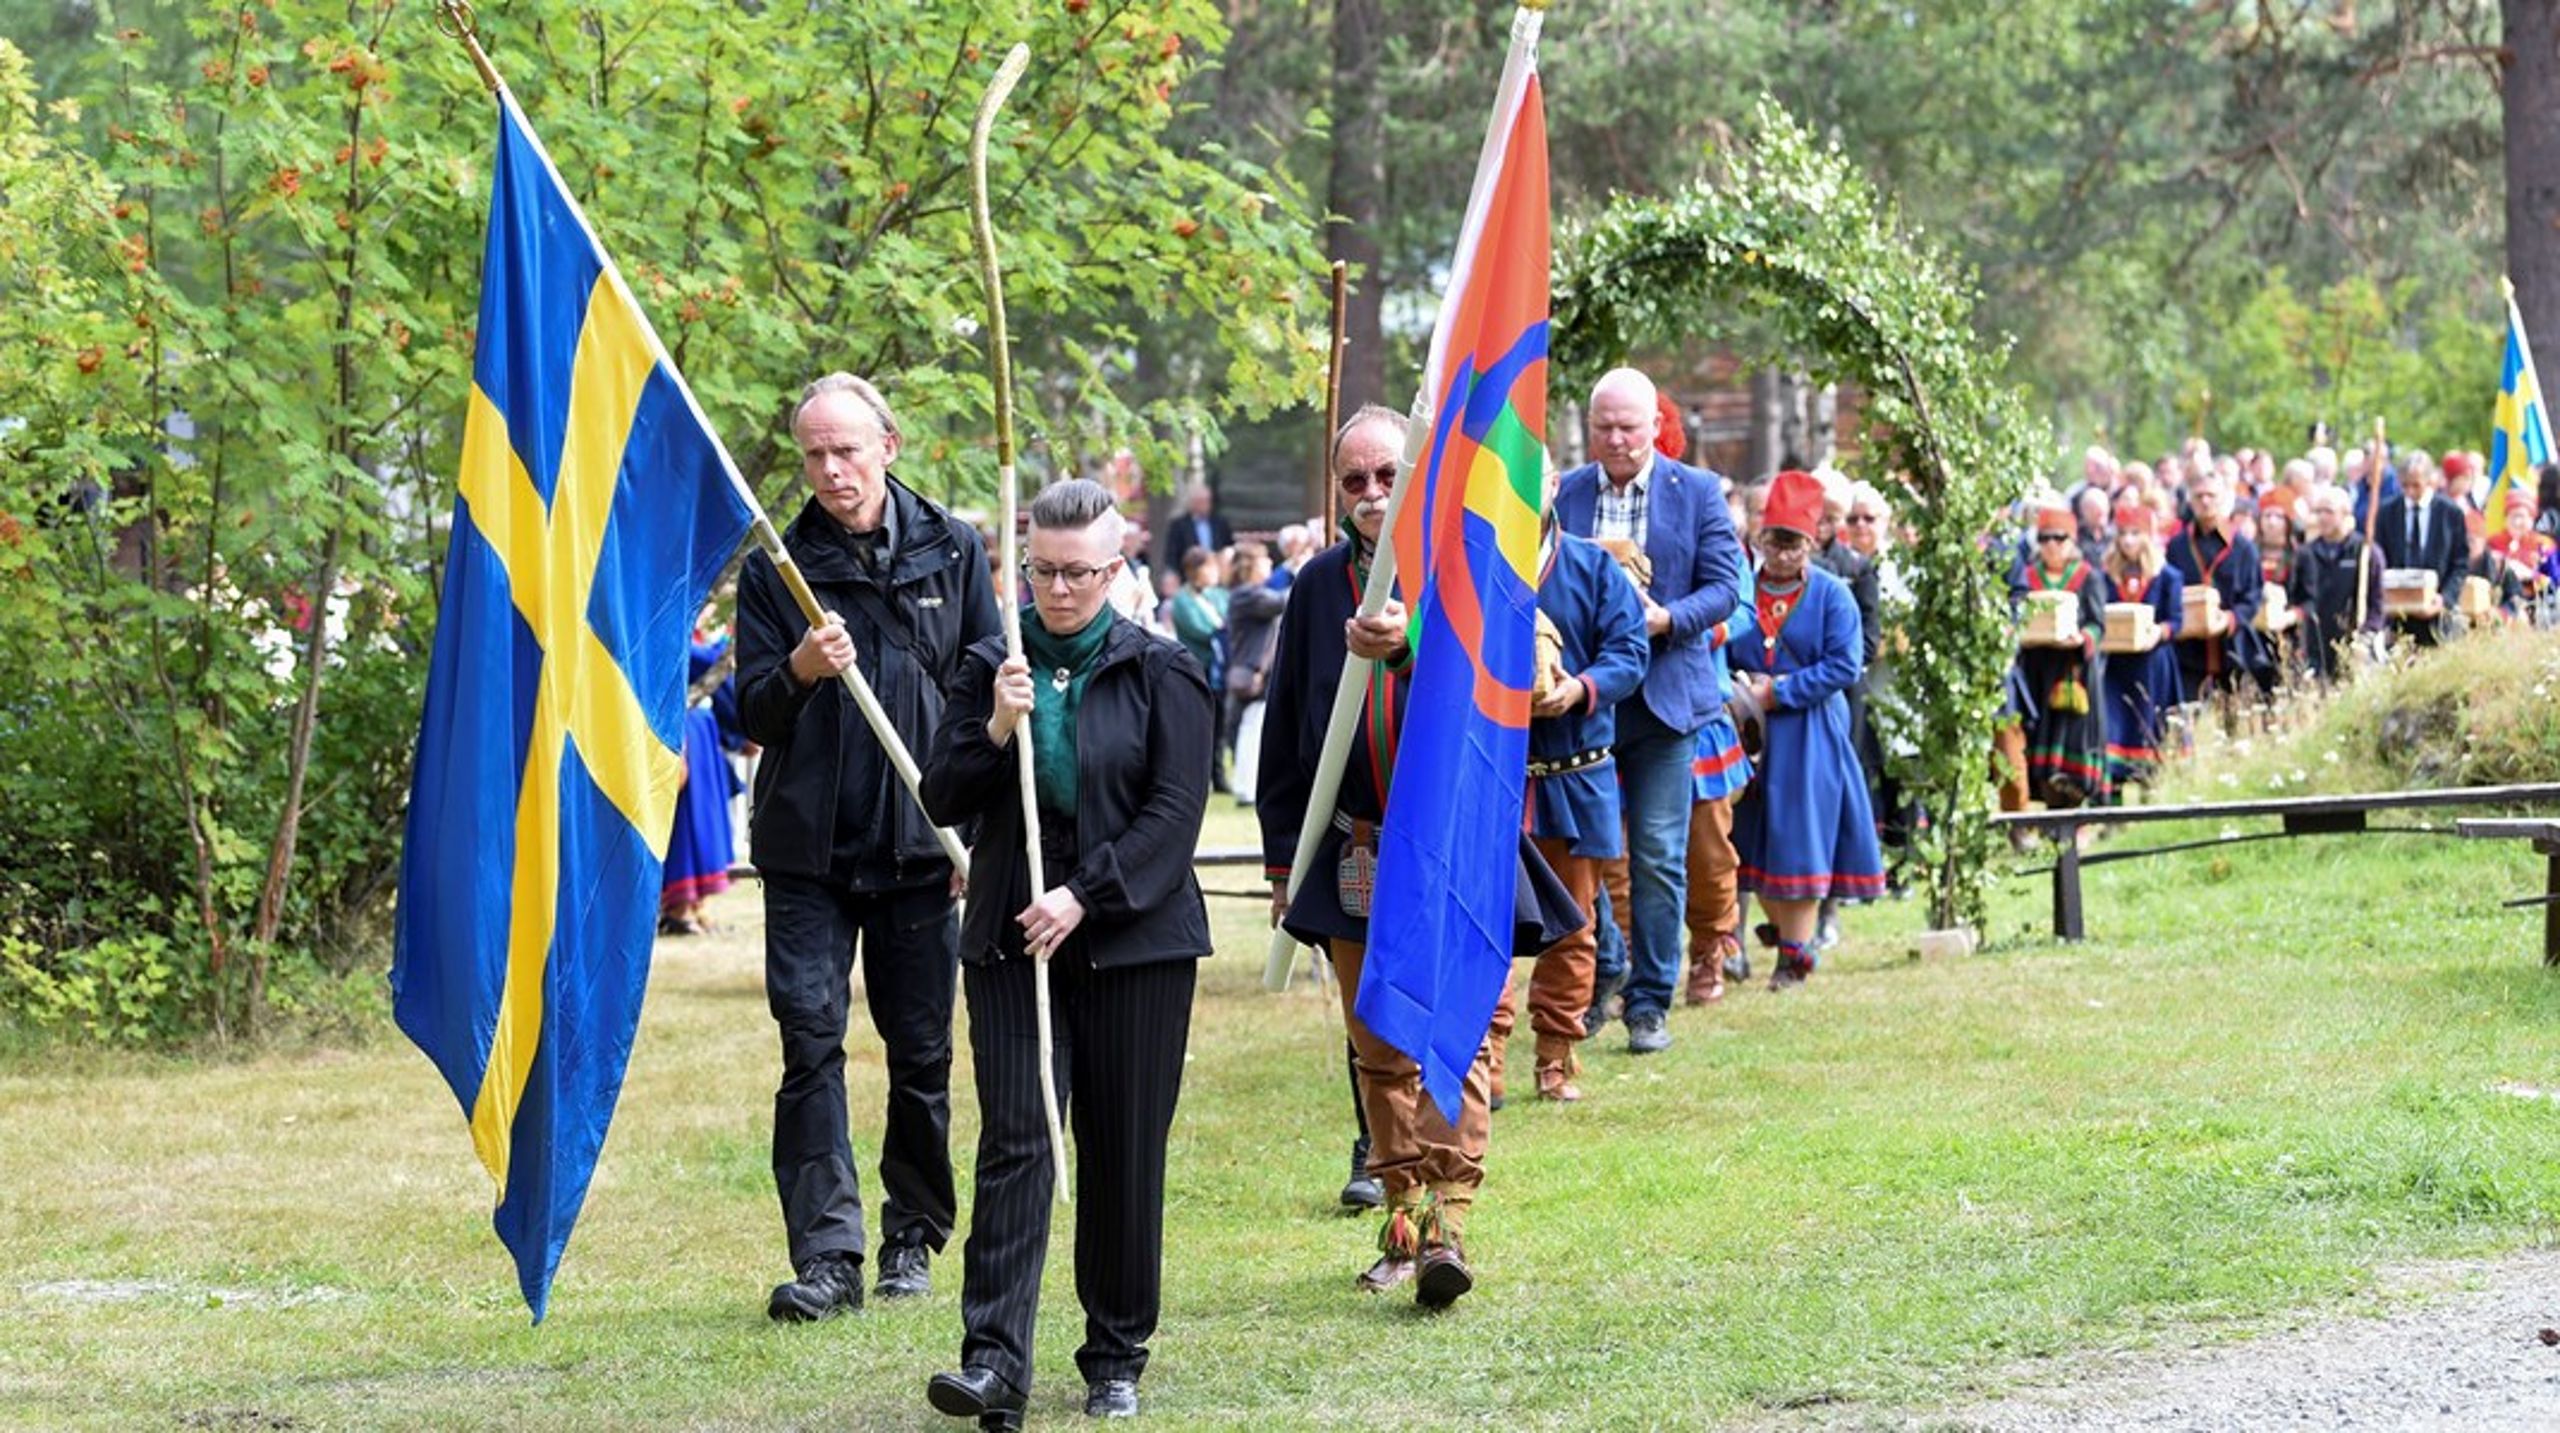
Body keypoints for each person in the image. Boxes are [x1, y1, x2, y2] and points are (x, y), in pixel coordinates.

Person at [1257, 405, 1580, 1307]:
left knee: (1465, 1035)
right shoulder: (1319, 588)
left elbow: (1495, 691)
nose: (1370, 495)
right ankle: (1401, 1219)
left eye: (1387, 475)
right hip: (1354, 844)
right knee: (1380, 1045)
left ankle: (1450, 1223)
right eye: (1353, 480)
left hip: (1456, 846)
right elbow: (1288, 726)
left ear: (1420, 475)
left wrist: (1404, 651)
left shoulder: (1471, 569)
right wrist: (1286, 860)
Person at [919, 479, 1214, 1429]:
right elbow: (941, 793)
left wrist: (1086, 894)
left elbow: (1174, 817)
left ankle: (1115, 1351)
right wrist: (998, 726)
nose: (1057, 590)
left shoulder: (1164, 671)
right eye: (1040, 571)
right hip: (1013, 942)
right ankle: (994, 1359)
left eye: (1078, 573)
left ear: (1115, 569)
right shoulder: (987, 667)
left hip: (1136, 943)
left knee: (1122, 1147)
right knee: (1016, 1139)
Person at [736, 372, 999, 1319]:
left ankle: (912, 1236)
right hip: (810, 849)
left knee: (921, 1049)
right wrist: (802, 667)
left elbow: (989, 697)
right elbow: (750, 705)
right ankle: (828, 1254)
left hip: (924, 844)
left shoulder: (953, 548)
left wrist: (983, 829)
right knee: (810, 1042)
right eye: (814, 454)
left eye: (846, 450)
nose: (831, 470)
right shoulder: (777, 565)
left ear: (889, 444)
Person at [1554, 367, 1742, 1055]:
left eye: (1628, 426)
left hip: (1665, 701)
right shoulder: (1567, 493)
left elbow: (1724, 587)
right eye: (1603, 426)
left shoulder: (1694, 491)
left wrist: (1667, 618)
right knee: (1587, 851)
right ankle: (1602, 963)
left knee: (1660, 855)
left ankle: (1649, 1000)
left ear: (1655, 426)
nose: (1615, 439)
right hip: (1585, 699)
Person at [1488, 478, 1650, 1103]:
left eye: (1537, 477)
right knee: (1489, 922)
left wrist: (1578, 689)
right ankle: (1489, 1056)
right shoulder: (1474, 563)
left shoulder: (1591, 567)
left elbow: (1630, 653)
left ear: (1554, 484)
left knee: (1573, 925)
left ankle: (1555, 1056)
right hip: (1496, 773)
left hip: (1577, 773)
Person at [1727, 470, 1883, 987]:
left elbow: (1844, 664)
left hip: (1810, 734)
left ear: (1813, 542)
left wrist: (1782, 690)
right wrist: (1741, 685)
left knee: (1800, 835)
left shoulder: (1833, 596)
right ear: (1758, 539)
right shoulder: (1741, 591)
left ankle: (1794, 953)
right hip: (1749, 735)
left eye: (1794, 543)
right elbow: (1722, 644)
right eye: (1775, 541)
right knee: (1750, 835)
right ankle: (1778, 936)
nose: (1784, 554)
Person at [2014, 500, 2111, 809]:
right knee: (2038, 736)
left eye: (2059, 538)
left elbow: (2098, 623)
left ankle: (2075, 811)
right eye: (2044, 539)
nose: (2051, 546)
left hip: (2075, 672)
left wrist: (2082, 639)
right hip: (2038, 668)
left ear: (2072, 542)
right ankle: (2044, 805)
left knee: (2074, 739)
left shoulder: (2088, 577)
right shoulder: (2027, 578)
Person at [660, 631, 741, 936]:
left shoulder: (704, 636)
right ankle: (678, 909)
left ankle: (697, 907)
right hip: (684, 732)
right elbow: (707, 663)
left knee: (705, 822)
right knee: (686, 823)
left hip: (702, 733)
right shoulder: (679, 630)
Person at [2098, 505, 2182, 797]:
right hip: (2117, 665)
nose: (2128, 541)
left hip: (2153, 663)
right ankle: (2113, 801)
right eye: (2123, 534)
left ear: (2147, 537)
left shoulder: (2167, 576)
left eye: (2135, 534)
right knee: (2115, 727)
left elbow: (2176, 620)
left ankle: (2151, 796)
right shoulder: (2107, 575)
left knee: (2148, 727)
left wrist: (2156, 632)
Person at [2164, 466, 2264, 707]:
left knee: (2234, 724)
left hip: (2232, 649)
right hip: (2188, 650)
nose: (2205, 501)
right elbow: (2167, 593)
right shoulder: (2177, 546)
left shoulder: (2243, 548)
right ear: (2190, 500)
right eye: (2199, 496)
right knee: (2186, 719)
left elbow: (2253, 596)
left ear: (2224, 499)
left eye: (2212, 495)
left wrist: (2230, 619)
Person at [2376, 454, 2466, 648]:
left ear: (2429, 480)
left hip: (2438, 612)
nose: (2410, 491)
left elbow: (2460, 563)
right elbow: (2380, 558)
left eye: (2416, 485)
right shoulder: (2387, 512)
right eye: (2405, 485)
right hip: (2398, 612)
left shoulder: (2450, 513)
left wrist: (2445, 599)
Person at [1222, 541, 1287, 803]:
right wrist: (1305, 570)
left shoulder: (1249, 594)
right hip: (1252, 673)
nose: (1270, 564)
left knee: (1252, 729)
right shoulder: (1246, 595)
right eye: (1265, 560)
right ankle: (1246, 789)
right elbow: (1284, 599)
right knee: (1251, 730)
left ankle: (1246, 786)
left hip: (1255, 672)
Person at [2299, 484, 2385, 682]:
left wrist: (2365, 636)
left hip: (2353, 643)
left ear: (2345, 513)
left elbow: (2378, 604)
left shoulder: (2365, 553)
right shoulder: (2308, 553)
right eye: (2318, 511)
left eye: (2328, 511)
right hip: (2316, 645)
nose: (2322, 517)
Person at [1159, 483, 1234, 577]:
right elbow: (1171, 554)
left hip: (1217, 574)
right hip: (1189, 576)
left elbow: (1228, 545)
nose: (1205, 505)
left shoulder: (1220, 523)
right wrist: (1173, 574)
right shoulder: (1179, 525)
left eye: (1207, 501)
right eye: (1201, 501)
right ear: (1192, 503)